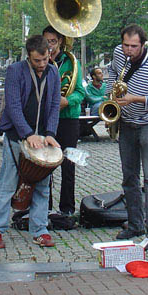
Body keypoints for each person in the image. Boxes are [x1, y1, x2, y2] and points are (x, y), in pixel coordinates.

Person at [0, 35, 61, 249]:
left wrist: (50, 133)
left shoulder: (53, 71)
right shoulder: (15, 71)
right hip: (17, 135)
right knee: (8, 182)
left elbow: (55, 104)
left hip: (42, 134)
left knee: (43, 185)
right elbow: (12, 105)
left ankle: (40, 229)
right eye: (37, 61)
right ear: (28, 56)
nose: (41, 65)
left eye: (45, 59)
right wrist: (28, 134)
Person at [107, 24, 148, 251]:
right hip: (127, 121)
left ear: (143, 45)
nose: (128, 50)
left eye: (134, 46)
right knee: (129, 176)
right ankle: (135, 224)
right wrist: (111, 95)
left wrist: (136, 98)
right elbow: (112, 74)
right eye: (125, 45)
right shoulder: (118, 53)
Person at [42, 25, 86, 218]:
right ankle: (45, 207)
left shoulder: (71, 62)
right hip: (46, 120)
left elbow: (80, 92)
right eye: (46, 42)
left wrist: (66, 101)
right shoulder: (40, 62)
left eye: (52, 41)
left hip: (68, 119)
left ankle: (67, 208)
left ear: (60, 41)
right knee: (46, 165)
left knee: (68, 164)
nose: (49, 46)